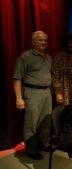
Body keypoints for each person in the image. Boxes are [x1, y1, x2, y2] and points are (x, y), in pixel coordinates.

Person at [13, 31, 52, 160]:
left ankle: (43, 144)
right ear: (33, 42)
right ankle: (30, 150)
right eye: (40, 40)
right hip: (32, 92)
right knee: (31, 122)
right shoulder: (24, 57)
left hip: (47, 92)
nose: (43, 43)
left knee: (46, 121)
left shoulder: (48, 57)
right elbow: (17, 78)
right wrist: (19, 98)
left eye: (45, 40)